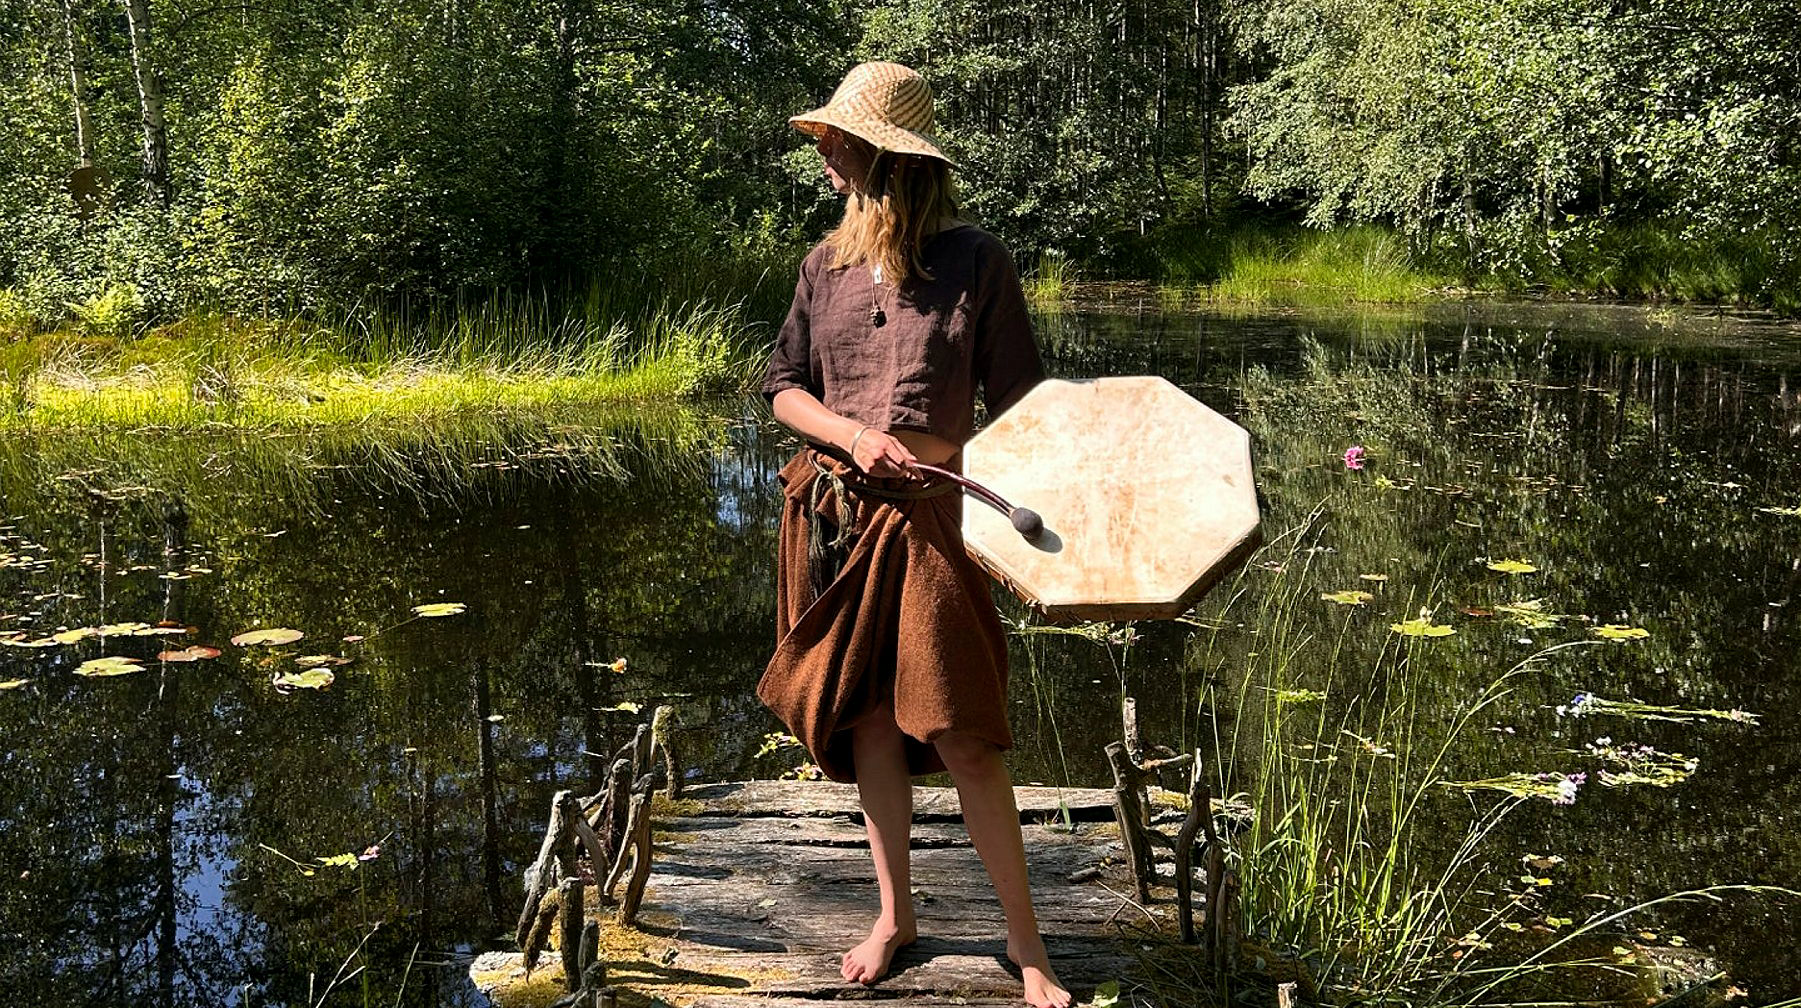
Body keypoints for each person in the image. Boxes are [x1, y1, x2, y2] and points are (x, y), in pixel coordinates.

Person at [757, 62, 1072, 1008]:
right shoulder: (823, 266)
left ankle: (1028, 946)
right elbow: (783, 386)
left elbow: (1026, 408)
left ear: (880, 155)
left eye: (836, 143)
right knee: (865, 726)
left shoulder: (977, 262)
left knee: (964, 730)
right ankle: (896, 915)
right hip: (832, 517)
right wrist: (852, 436)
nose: (824, 157)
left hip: (933, 523)